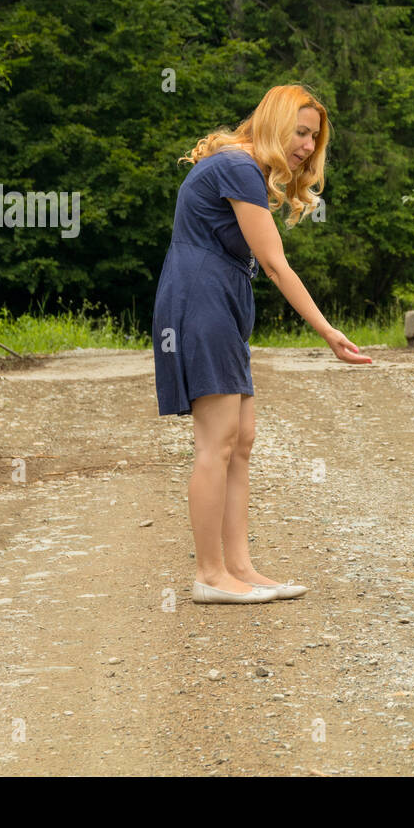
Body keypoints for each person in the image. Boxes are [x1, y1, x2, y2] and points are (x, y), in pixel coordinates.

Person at [152, 84, 372, 605]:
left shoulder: (242, 169)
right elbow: (274, 262)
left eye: (313, 138)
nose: (306, 146)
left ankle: (240, 567)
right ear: (273, 123)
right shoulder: (238, 167)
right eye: (300, 132)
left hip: (220, 302)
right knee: (216, 444)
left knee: (241, 440)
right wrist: (328, 332)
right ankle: (209, 574)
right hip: (199, 301)